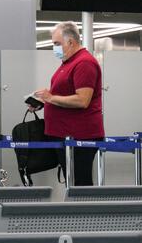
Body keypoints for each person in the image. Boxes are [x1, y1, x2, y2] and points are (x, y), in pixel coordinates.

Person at [31, 21, 104, 186]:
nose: (54, 48)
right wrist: (43, 102)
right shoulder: (68, 63)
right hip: (64, 134)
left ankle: (85, 212)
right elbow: (62, 96)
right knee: (72, 183)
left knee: (80, 184)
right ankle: (75, 211)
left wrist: (50, 98)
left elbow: (82, 100)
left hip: (79, 136)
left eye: (57, 44)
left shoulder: (84, 63)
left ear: (71, 42)